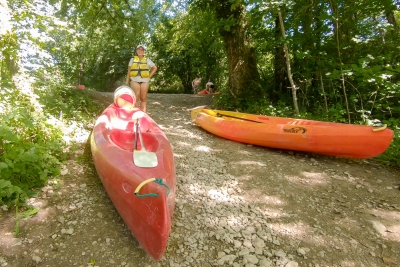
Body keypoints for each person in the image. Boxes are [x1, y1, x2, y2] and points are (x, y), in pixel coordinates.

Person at [125, 45, 157, 113]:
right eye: (139, 49)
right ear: (136, 51)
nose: (140, 51)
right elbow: (129, 72)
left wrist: (149, 76)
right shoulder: (132, 60)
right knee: (136, 99)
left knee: (143, 99)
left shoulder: (147, 60)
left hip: (145, 81)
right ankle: (135, 115)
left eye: (142, 49)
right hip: (134, 81)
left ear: (144, 51)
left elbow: (155, 68)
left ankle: (143, 115)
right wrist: (127, 82)